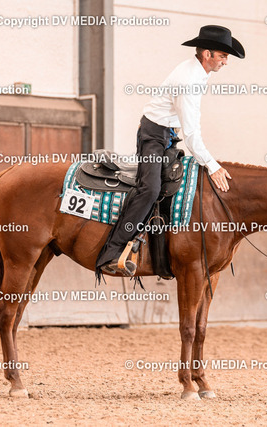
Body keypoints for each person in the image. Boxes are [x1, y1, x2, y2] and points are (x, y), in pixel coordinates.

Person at [96, 25, 245, 276]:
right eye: (223, 56)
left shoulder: (198, 72)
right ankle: (112, 252)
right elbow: (192, 135)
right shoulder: (188, 80)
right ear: (207, 54)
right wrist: (213, 166)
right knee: (150, 189)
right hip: (153, 136)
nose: (226, 62)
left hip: (167, 135)